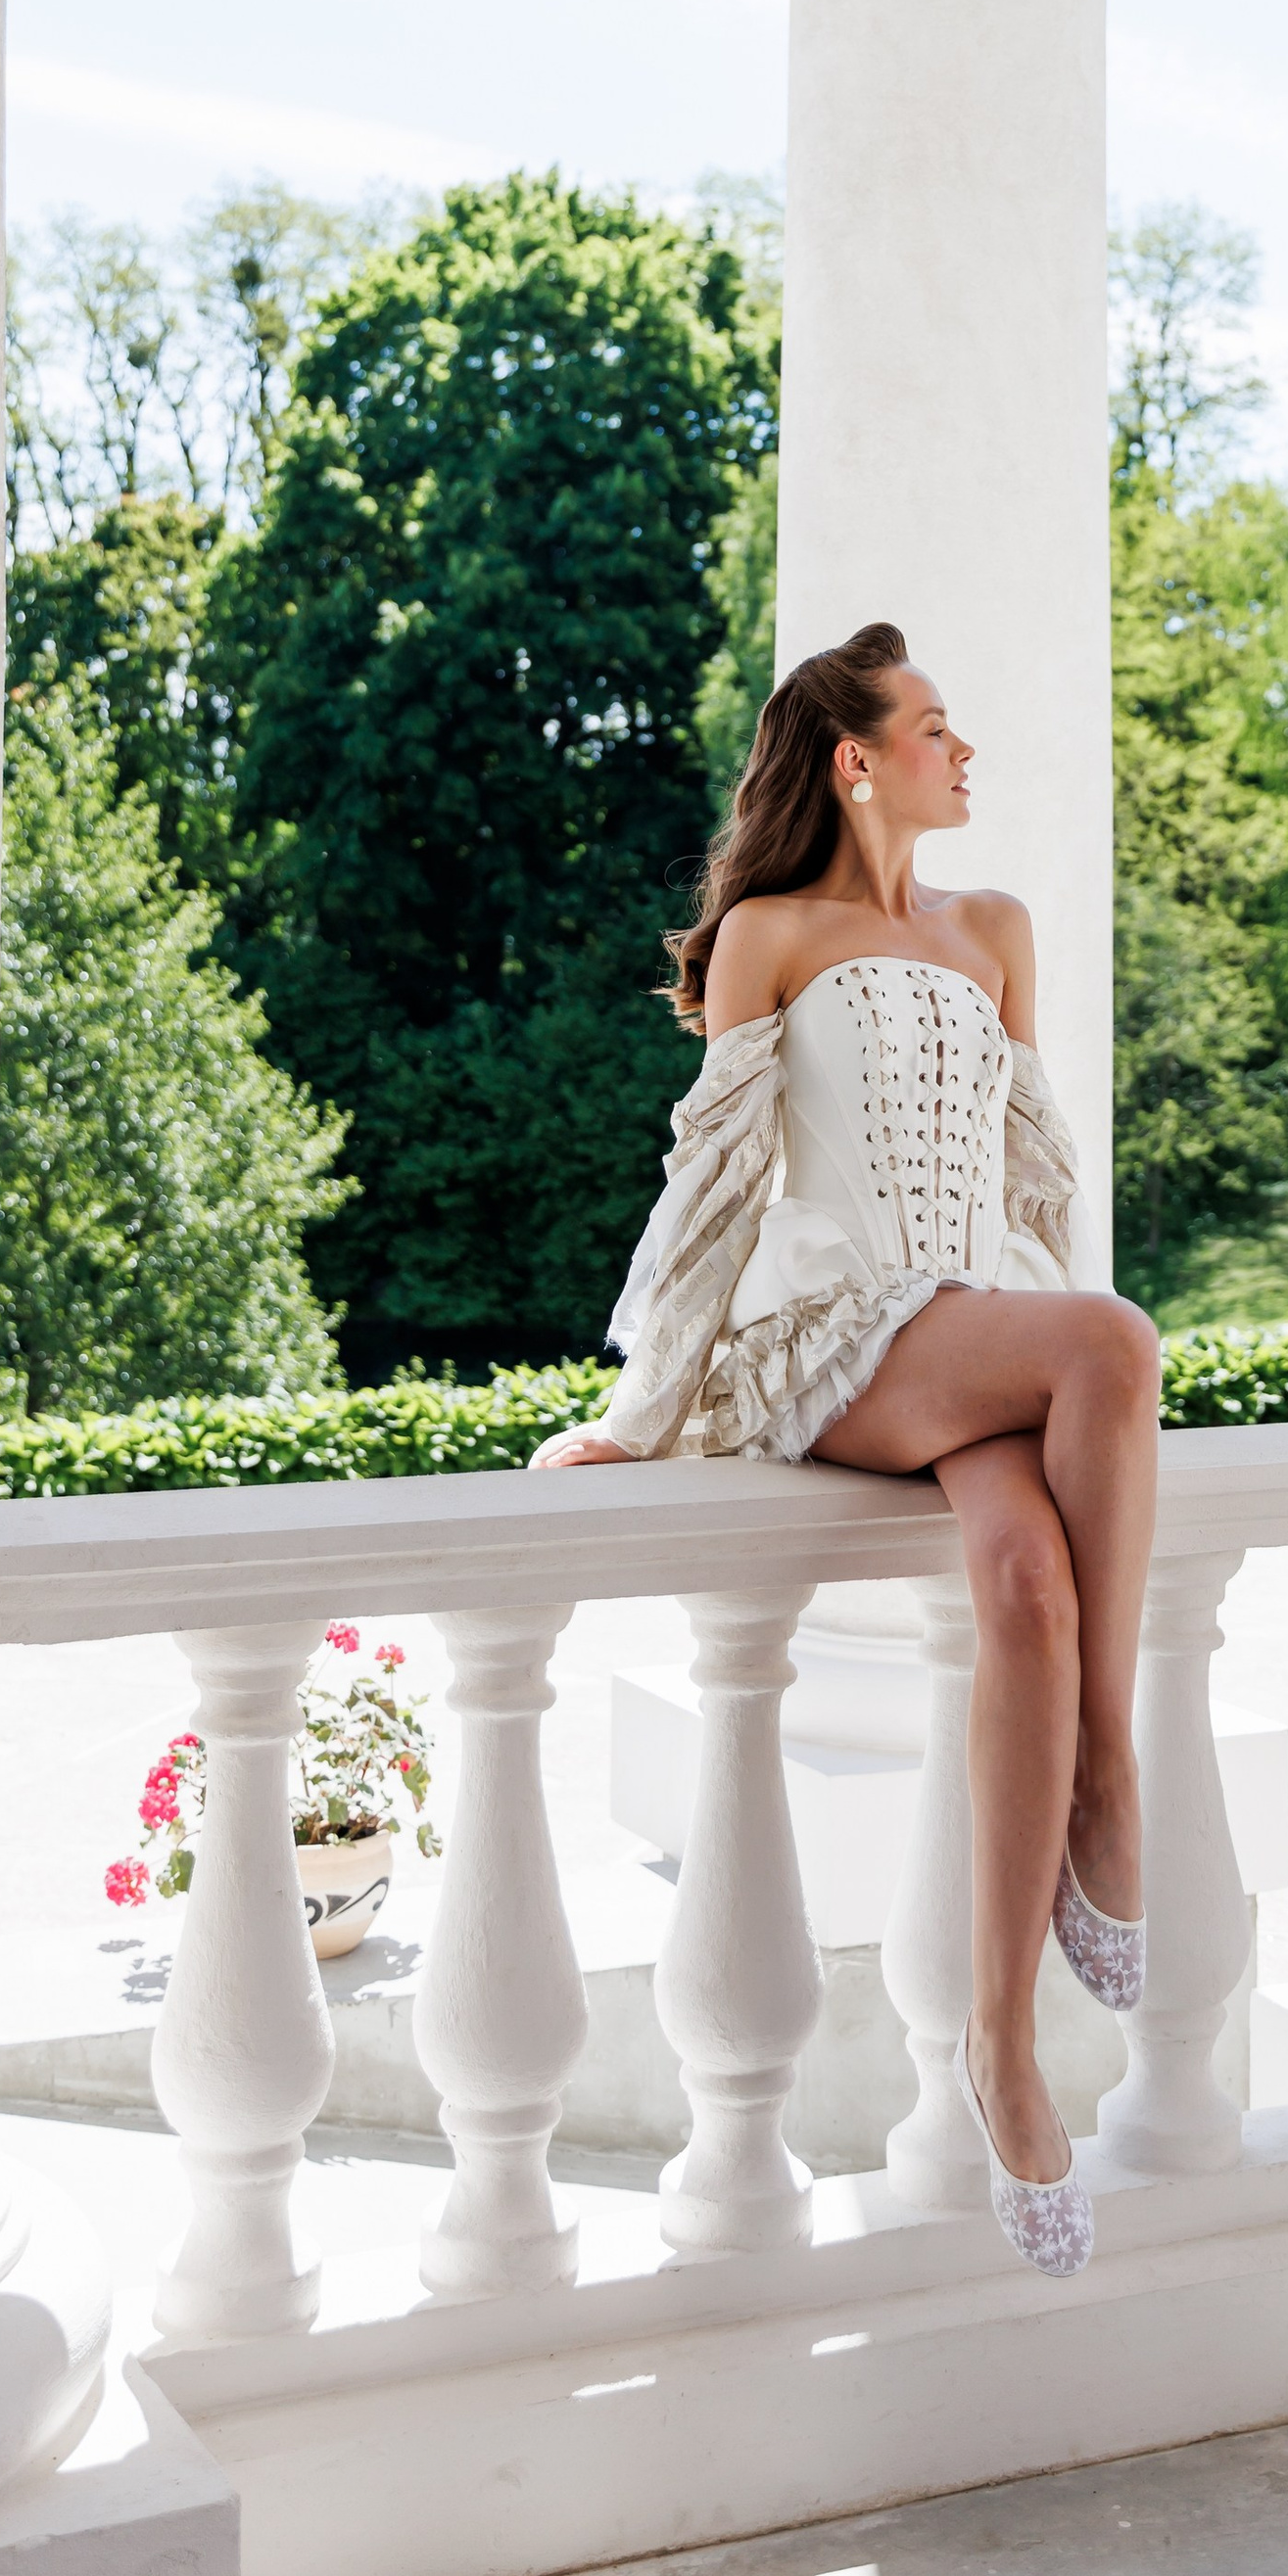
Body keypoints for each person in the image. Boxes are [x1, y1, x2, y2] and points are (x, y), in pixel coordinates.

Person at [535, 622, 1158, 2278]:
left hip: (973, 1328)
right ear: (856, 757)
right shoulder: (769, 937)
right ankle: (1113, 1764)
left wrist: (1029, 1355)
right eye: (937, 728)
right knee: (1115, 1334)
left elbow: (1032, 1194)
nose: (970, 753)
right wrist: (641, 1412)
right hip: (840, 1343)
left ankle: (1003, 2042)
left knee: (1028, 1578)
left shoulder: (996, 928)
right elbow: (717, 1185)